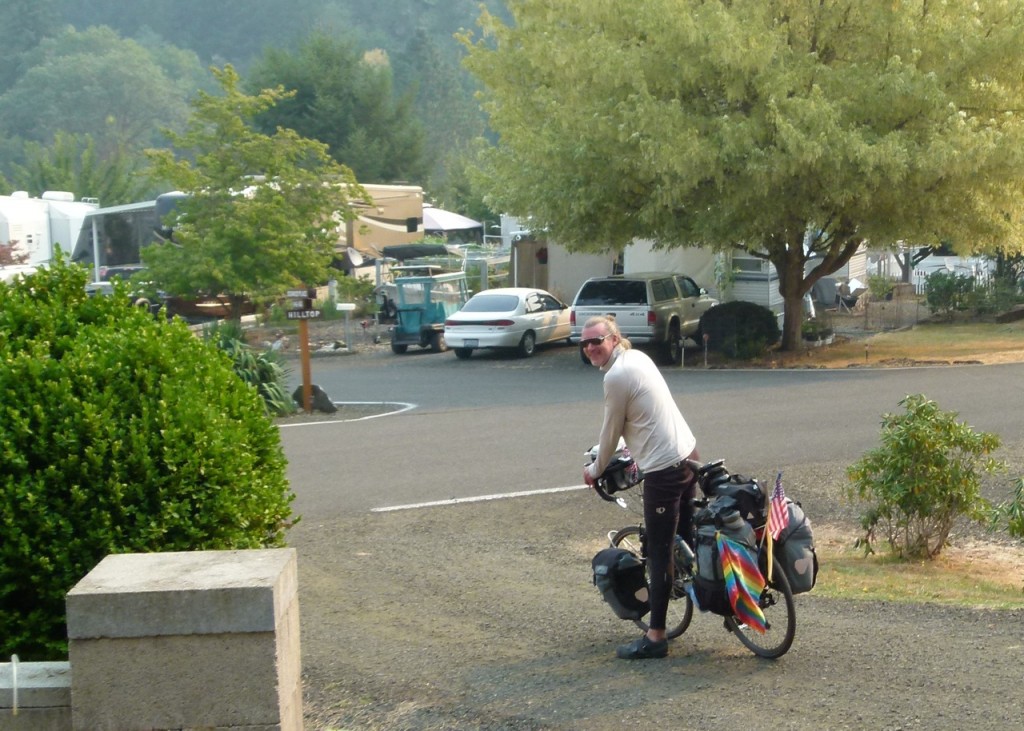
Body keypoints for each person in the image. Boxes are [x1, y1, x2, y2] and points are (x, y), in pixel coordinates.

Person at [581, 315, 699, 660]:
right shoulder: (639, 358)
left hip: (665, 468)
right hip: (689, 452)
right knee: (686, 533)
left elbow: (611, 431)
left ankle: (657, 636)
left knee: (659, 552)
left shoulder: (617, 376)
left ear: (614, 339)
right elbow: (645, 416)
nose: (590, 348)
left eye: (597, 341)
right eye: (585, 343)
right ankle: (704, 584)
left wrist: (594, 469)